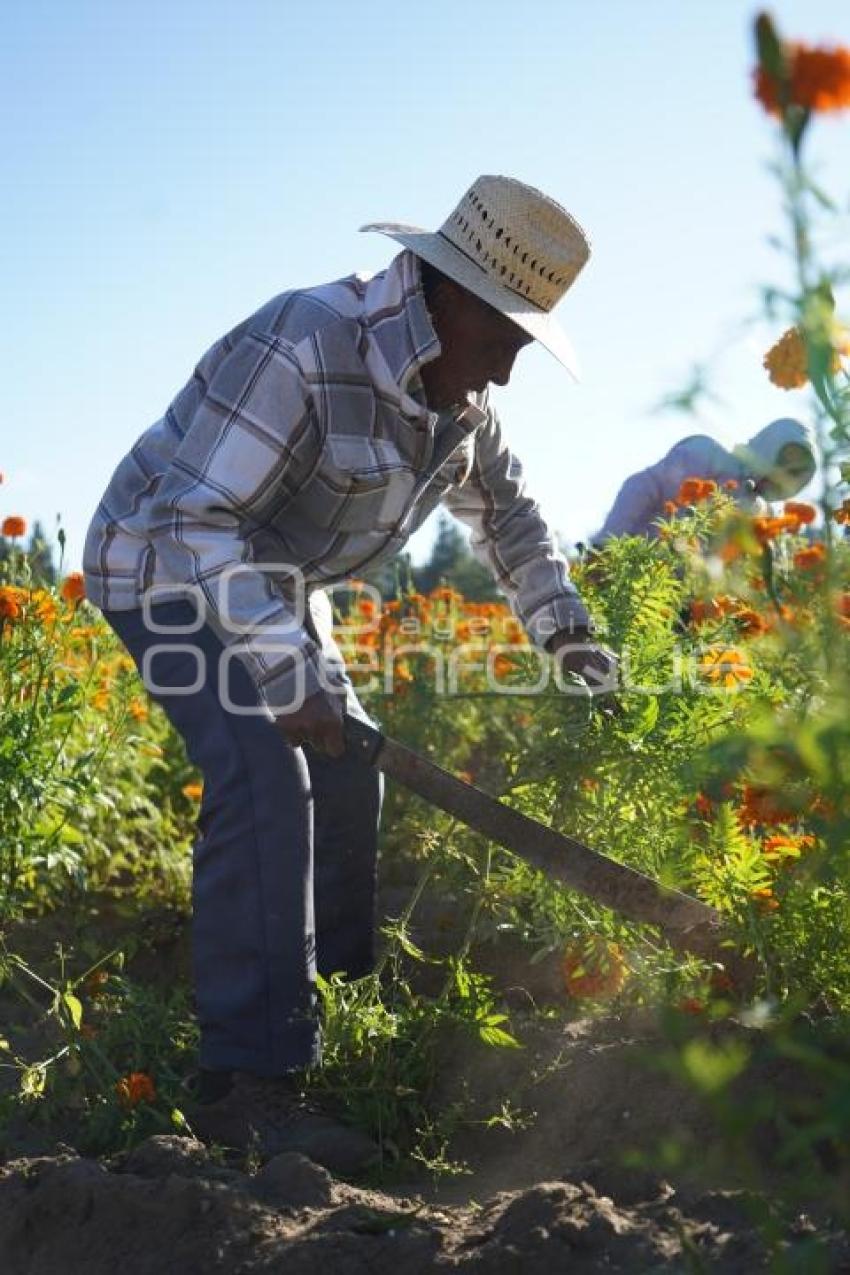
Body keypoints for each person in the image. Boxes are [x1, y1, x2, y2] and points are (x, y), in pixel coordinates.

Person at [82, 175, 614, 1165]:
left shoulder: (457, 406)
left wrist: (568, 633)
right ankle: (249, 1084)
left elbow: (513, 523)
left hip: (271, 582)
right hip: (157, 567)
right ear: (452, 298)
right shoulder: (306, 342)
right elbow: (194, 521)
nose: (503, 374)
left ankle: (339, 1022)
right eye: (504, 342)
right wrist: (286, 675)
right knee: (261, 772)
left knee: (347, 766)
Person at [594, 418, 816, 542]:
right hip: (628, 574)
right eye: (780, 461)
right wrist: (604, 546)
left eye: (794, 473)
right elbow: (641, 487)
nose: (781, 475)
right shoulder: (708, 455)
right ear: (768, 447)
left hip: (682, 609)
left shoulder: (762, 513)